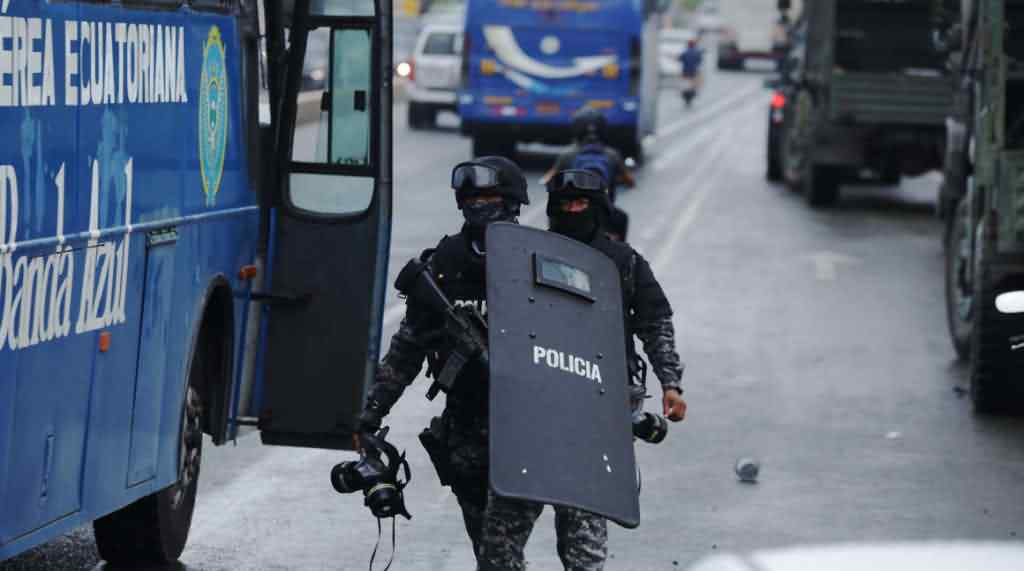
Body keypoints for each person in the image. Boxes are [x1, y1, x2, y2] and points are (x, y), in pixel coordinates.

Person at [358, 156, 545, 569]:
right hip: (466, 434)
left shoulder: (538, 259)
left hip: (526, 430)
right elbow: (408, 347)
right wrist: (371, 412)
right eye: (471, 197)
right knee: (486, 549)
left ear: (511, 201)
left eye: (488, 197)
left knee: (499, 553)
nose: (478, 204)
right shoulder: (446, 262)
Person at [542, 107, 635, 203]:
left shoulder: (567, 155)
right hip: (604, 208)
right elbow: (630, 182)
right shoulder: (612, 155)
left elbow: (548, 180)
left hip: (576, 207)